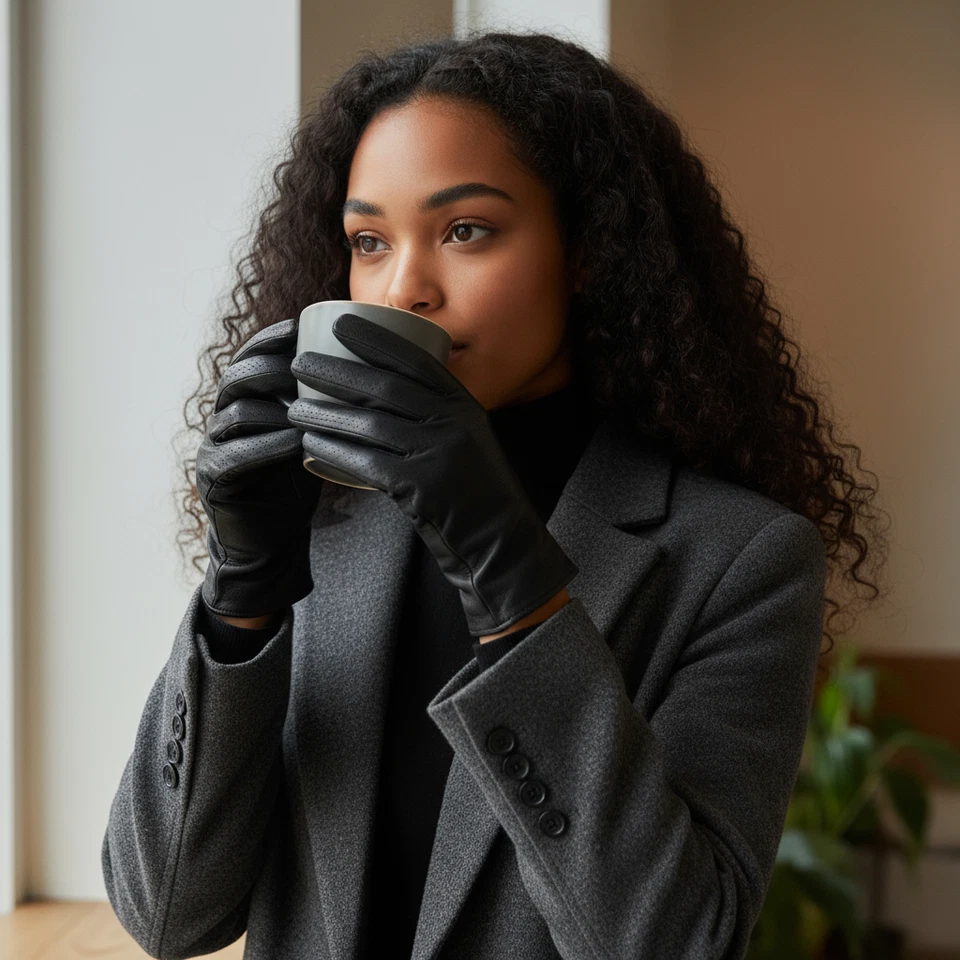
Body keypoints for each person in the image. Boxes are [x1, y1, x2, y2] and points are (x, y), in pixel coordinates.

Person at [101, 30, 887, 960]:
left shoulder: (738, 559)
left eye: (465, 229)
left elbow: (676, 943)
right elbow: (168, 912)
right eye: (368, 240)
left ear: (587, 248)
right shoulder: (321, 519)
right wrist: (241, 597)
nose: (404, 287)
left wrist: (504, 566)